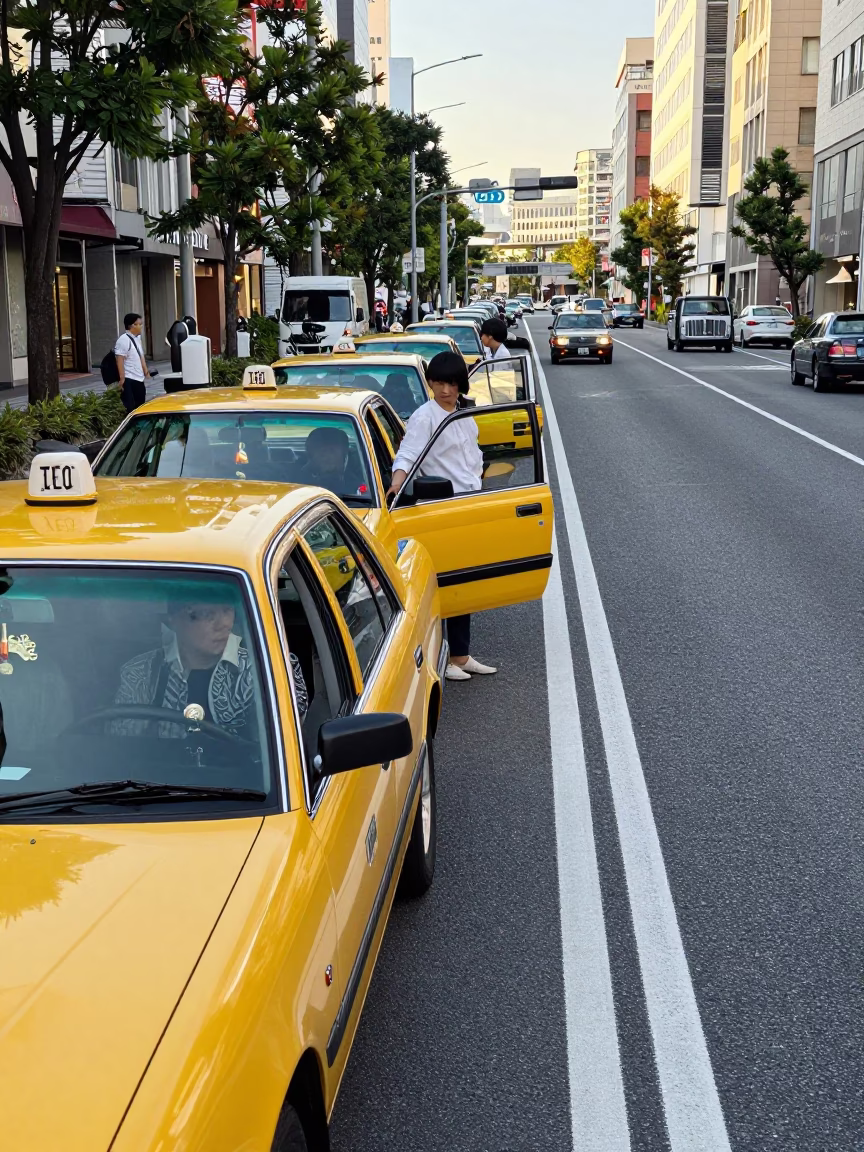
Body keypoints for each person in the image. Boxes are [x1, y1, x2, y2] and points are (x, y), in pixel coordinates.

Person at [386, 351, 496, 682]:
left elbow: (473, 455)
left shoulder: (463, 414)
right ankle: (444, 659)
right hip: (442, 509)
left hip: (469, 504)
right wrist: (396, 484)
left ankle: (461, 656)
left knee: (467, 581)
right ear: (430, 383)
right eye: (438, 383)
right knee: (446, 584)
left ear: (460, 384)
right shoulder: (425, 417)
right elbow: (406, 454)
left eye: (450, 383)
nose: (445, 390)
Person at [114, 599, 307, 737]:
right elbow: (123, 746)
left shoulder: (269, 671)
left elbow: (284, 750)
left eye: (227, 609)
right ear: (173, 619)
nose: (224, 624)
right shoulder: (140, 672)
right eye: (207, 614)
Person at [115, 312, 151, 414]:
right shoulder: (123, 340)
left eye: (141, 324)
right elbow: (120, 359)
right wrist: (122, 379)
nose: (141, 327)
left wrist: (146, 371)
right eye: (139, 324)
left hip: (139, 378)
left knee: (140, 406)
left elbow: (141, 356)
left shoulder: (137, 339)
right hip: (129, 379)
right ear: (131, 325)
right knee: (130, 408)